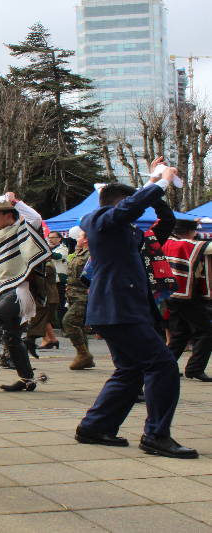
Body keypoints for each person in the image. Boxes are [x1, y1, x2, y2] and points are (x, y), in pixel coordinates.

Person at [75, 160, 197, 459]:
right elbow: (130, 208)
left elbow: (164, 220)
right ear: (121, 203)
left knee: (130, 370)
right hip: (119, 309)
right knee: (163, 365)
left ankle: (95, 427)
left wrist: (157, 183)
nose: (139, 212)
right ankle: (156, 435)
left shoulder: (128, 232)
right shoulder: (98, 220)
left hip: (123, 309)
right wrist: (159, 183)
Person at [0, 194, 51, 391]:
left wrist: (16, 202)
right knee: (12, 337)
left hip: (21, 289)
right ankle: (27, 380)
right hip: (2, 290)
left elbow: (36, 219)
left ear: (9, 215)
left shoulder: (21, 229)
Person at [162, 219, 212, 381]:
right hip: (187, 295)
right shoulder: (184, 244)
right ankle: (195, 369)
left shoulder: (167, 242)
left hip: (172, 293)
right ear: (190, 232)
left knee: (180, 334)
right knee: (206, 331)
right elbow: (206, 247)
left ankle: (163, 367)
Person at [62, 227, 95, 370]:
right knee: (78, 325)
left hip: (84, 295)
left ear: (87, 239)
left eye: (80, 236)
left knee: (69, 322)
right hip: (73, 295)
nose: (77, 239)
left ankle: (83, 354)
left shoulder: (92, 254)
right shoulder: (78, 252)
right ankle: (85, 356)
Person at [40, 230, 68, 349]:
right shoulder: (50, 249)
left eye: (53, 237)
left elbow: (58, 256)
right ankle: (50, 338)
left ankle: (61, 329)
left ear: (59, 239)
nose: (50, 239)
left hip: (58, 282)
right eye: (49, 237)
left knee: (58, 307)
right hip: (49, 282)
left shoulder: (63, 248)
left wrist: (45, 249)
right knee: (46, 310)